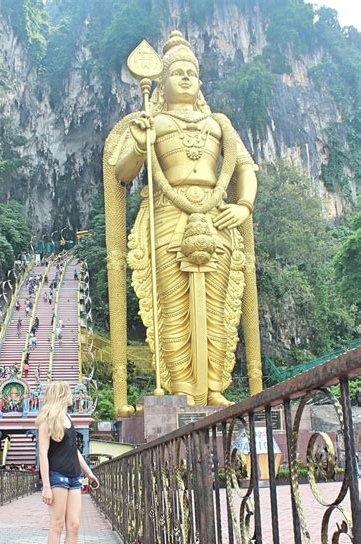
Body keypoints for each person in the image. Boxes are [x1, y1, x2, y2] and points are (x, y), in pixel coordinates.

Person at [106, 30, 262, 408]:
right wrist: (141, 143)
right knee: (172, 308)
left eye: (192, 71)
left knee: (218, 305)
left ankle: (212, 387)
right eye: (177, 72)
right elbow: (121, 172)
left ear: (201, 80)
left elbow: (245, 167)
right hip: (167, 217)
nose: (186, 77)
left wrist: (244, 205)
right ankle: (180, 390)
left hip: (215, 218)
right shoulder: (153, 122)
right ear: (162, 82)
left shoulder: (219, 124)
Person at [36, 381, 99, 544]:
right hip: (57, 476)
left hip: (74, 477)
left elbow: (75, 451)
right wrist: (45, 485)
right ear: (62, 395)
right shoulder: (46, 421)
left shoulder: (69, 419)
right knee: (57, 525)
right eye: (70, 393)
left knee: (74, 525)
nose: (73, 396)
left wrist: (89, 473)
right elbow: (43, 455)